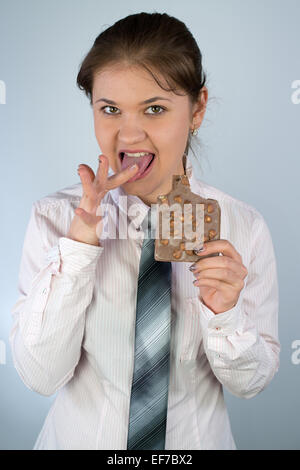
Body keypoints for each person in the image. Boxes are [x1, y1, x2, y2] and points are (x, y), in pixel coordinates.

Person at [10, 12, 279, 450]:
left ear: (198, 108)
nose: (129, 134)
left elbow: (252, 383)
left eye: (154, 109)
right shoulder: (55, 220)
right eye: (110, 109)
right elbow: (40, 376)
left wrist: (225, 312)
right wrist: (78, 250)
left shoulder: (242, 226)